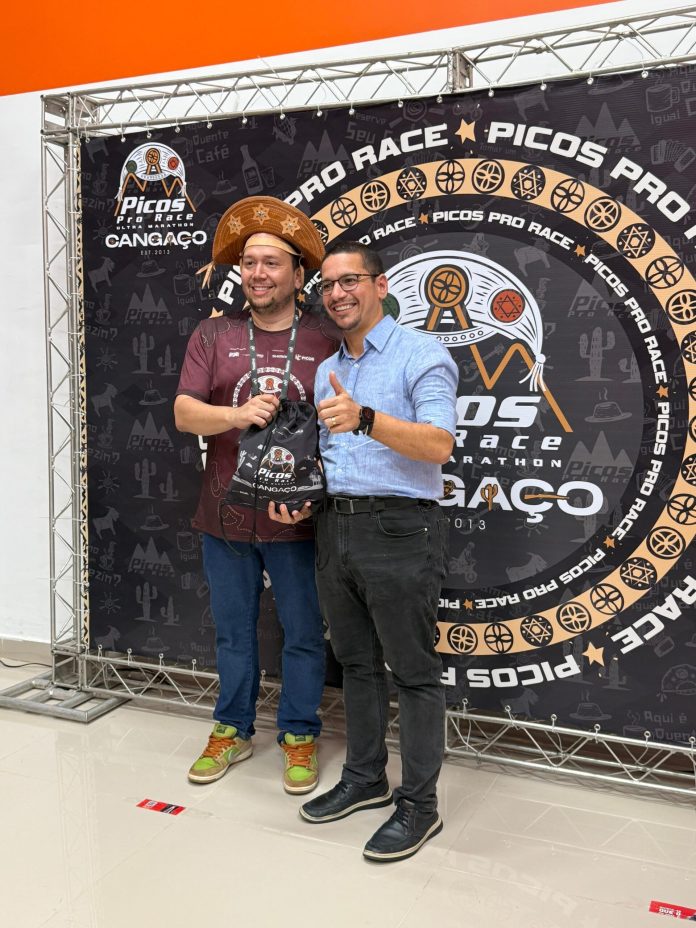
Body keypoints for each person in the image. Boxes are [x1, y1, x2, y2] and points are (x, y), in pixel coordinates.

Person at [270, 241, 458, 861]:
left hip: (400, 529)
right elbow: (331, 455)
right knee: (355, 665)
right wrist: (303, 498)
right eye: (327, 285)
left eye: (349, 280)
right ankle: (365, 778)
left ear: (380, 285)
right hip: (334, 527)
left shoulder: (420, 354)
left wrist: (367, 418)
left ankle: (420, 806)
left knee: (414, 673)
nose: (337, 293)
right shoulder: (330, 366)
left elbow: (439, 445)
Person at [174, 196, 339, 794]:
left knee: (303, 633)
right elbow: (184, 412)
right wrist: (236, 413)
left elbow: (347, 426)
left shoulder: (328, 338)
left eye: (272, 262)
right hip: (224, 515)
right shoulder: (213, 333)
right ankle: (232, 729)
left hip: (299, 518)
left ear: (298, 274)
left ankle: (299, 733)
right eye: (249, 262)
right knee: (233, 632)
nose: (258, 273)